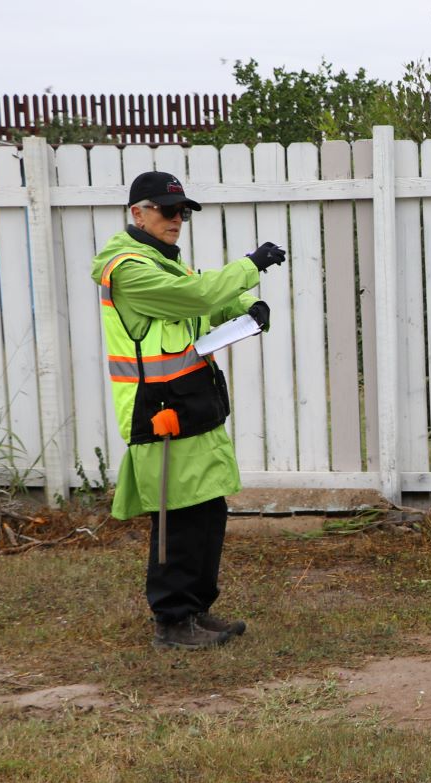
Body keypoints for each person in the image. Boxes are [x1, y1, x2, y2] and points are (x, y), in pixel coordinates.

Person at [91, 171, 287, 650]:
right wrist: (250, 265)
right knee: (177, 517)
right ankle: (173, 622)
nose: (177, 219)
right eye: (166, 210)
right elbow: (191, 298)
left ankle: (197, 611)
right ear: (137, 213)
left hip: (192, 402)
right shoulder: (129, 269)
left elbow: (203, 304)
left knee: (206, 510)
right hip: (158, 411)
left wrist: (247, 307)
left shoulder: (166, 263)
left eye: (182, 212)